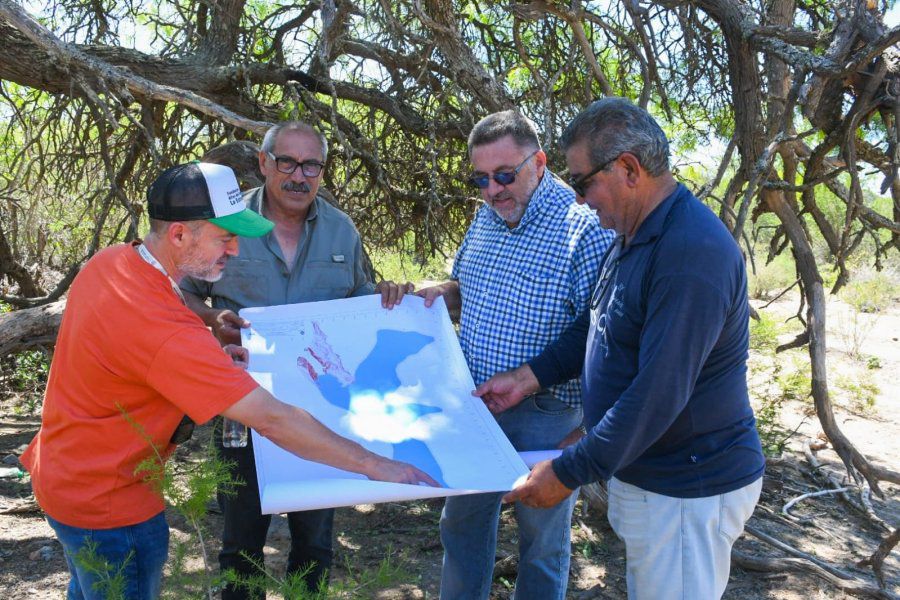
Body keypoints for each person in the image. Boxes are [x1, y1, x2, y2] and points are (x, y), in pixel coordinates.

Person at [20, 162, 436, 600]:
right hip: (112, 510)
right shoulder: (166, 330)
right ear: (179, 235)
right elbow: (272, 419)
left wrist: (211, 356)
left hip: (61, 479)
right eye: (225, 237)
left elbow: (130, 353)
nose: (235, 249)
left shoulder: (113, 262)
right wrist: (377, 465)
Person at [499, 98, 766, 600]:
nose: (580, 201)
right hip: (651, 479)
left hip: (687, 488)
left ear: (628, 168)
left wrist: (569, 471)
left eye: (582, 183)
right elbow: (598, 324)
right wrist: (528, 377)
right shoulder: (634, 232)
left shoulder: (690, 252)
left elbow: (658, 393)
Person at [181, 122, 412, 599]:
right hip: (244, 407)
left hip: (320, 412)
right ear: (264, 163)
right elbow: (181, 292)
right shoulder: (228, 222)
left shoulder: (341, 230)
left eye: (311, 166)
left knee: (314, 543)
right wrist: (211, 319)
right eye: (287, 162)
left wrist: (387, 296)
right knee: (241, 542)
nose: (299, 176)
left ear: (322, 172)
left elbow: (360, 301)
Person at [417, 110, 613, 599]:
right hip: (476, 404)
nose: (493, 190)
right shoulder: (486, 216)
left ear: (539, 163)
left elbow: (597, 330)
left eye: (504, 175)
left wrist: (529, 379)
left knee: (541, 540)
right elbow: (467, 290)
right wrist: (440, 294)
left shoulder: (584, 225)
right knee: (461, 524)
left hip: (546, 409)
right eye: (480, 179)